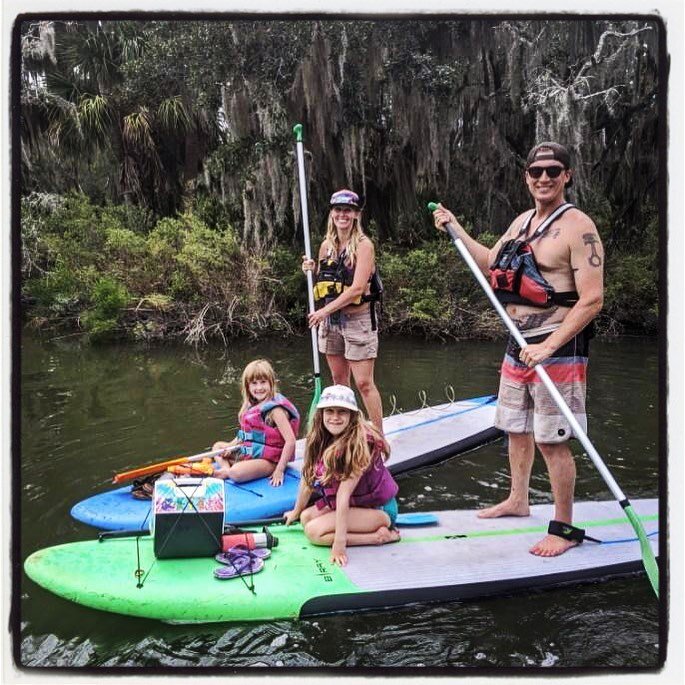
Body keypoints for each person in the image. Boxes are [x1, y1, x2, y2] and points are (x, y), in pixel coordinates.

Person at [433, 142, 604, 558]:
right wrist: (456, 228)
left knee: (551, 440)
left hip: (557, 345)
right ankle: (518, 499)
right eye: (535, 171)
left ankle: (563, 527)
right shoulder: (522, 221)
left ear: (567, 175)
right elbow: (492, 262)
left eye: (552, 170)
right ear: (527, 176)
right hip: (518, 341)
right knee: (515, 427)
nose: (543, 178)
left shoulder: (579, 226)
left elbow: (592, 299)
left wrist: (549, 346)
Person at [284, 384, 400, 566]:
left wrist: (339, 544)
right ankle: (363, 531)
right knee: (306, 518)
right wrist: (296, 511)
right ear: (321, 414)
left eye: (342, 412)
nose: (335, 417)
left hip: (380, 510)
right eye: (329, 411)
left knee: (314, 533)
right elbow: (308, 479)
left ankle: (378, 536)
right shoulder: (322, 438)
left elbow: (343, 496)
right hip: (360, 505)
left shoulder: (359, 446)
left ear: (352, 416)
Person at [302, 189, 384, 432]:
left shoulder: (364, 245)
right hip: (331, 322)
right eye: (338, 210)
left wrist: (323, 312)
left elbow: (357, 288)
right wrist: (311, 268)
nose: (342, 214)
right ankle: (348, 431)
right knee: (339, 382)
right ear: (332, 213)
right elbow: (325, 282)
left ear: (356, 214)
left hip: (357, 320)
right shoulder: (326, 245)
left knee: (364, 383)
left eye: (347, 210)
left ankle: (378, 436)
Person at [212, 359, 300, 487]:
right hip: (253, 452)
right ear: (247, 386)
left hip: (271, 460)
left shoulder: (275, 410)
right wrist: (230, 446)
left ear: (271, 383)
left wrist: (279, 470)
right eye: (254, 383)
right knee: (217, 447)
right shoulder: (251, 405)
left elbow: (290, 441)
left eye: (263, 382)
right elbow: (245, 434)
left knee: (236, 473)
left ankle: (229, 472)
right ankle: (225, 470)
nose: (259, 387)